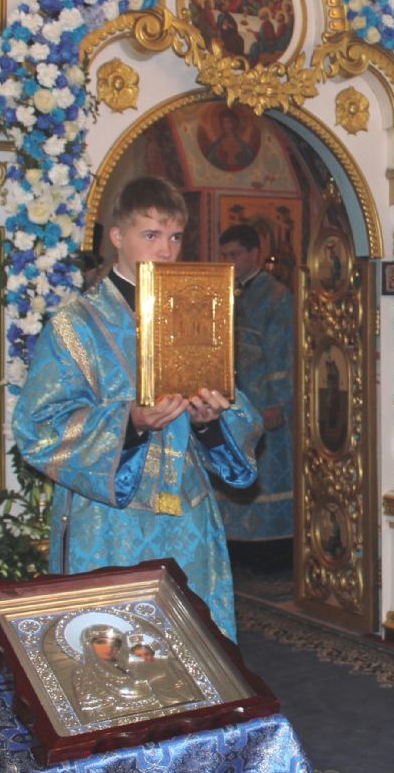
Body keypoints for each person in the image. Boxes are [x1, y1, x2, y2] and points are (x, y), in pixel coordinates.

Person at [14, 176, 261, 640]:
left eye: (175, 237)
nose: (166, 250)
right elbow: (39, 428)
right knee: (114, 658)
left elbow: (238, 410)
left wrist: (209, 423)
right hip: (108, 525)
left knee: (193, 652)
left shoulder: (197, 311)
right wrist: (129, 421)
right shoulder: (76, 326)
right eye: (151, 235)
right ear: (117, 236)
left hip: (188, 517)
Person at [216, 225, 296, 548]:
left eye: (234, 255)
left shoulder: (276, 295)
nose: (229, 262)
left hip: (263, 400)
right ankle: (236, 543)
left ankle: (269, 547)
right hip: (231, 398)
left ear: (253, 254)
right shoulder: (224, 291)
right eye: (224, 255)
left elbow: (282, 351)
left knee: (267, 467)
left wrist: (278, 402)